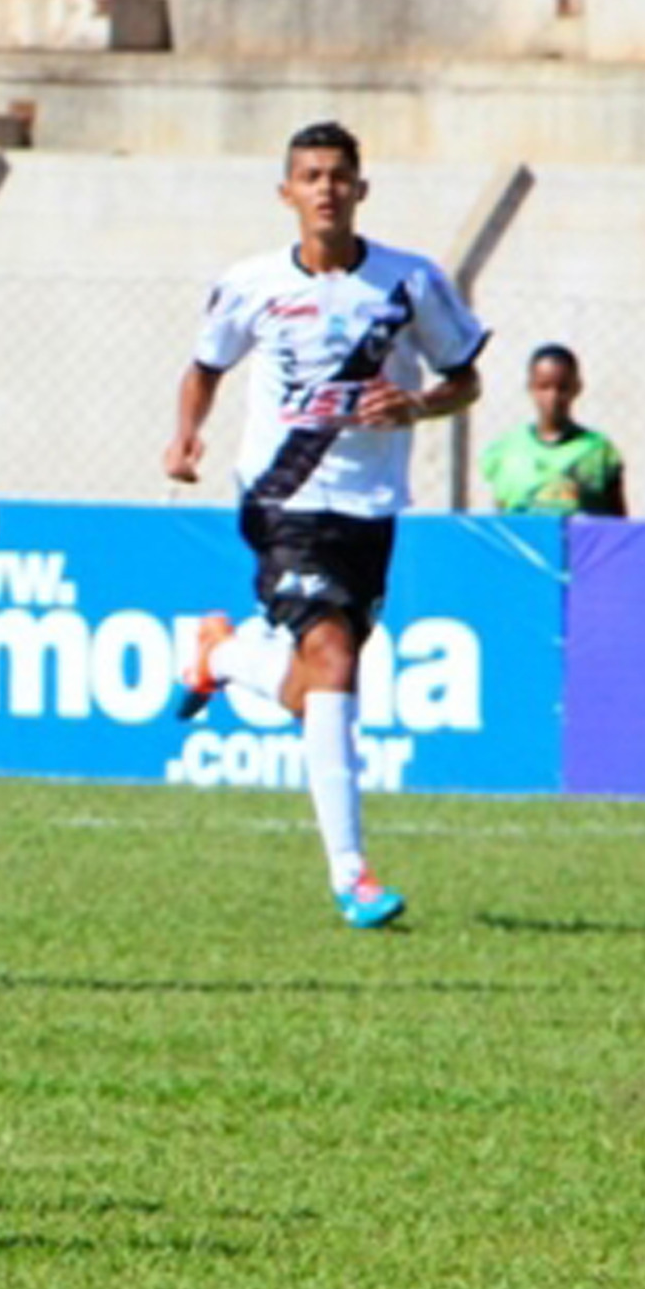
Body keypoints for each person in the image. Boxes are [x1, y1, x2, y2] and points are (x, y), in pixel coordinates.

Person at [165, 119, 487, 929]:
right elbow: (205, 366)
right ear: (287, 193)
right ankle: (353, 875)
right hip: (283, 501)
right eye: (310, 175)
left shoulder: (410, 282)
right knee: (335, 660)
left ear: (361, 189)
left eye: (340, 175)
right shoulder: (251, 285)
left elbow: (466, 380)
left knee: (318, 684)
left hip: (370, 510)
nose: (326, 189)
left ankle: (223, 654)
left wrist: (418, 403)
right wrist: (185, 435)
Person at [481, 342, 625, 516]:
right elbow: (501, 519)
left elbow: (618, 524)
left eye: (562, 388)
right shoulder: (507, 450)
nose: (553, 397)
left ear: (577, 388)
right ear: (530, 387)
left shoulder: (598, 450)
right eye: (544, 387)